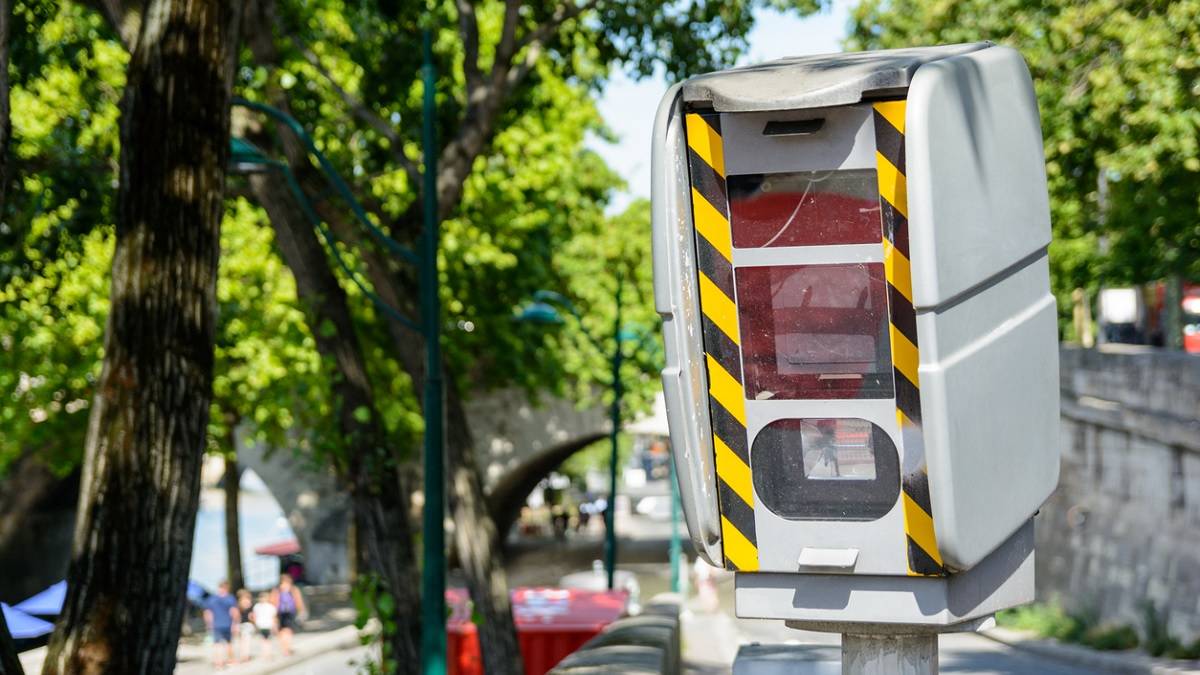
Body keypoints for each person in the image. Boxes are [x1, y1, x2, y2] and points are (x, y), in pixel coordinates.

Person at [203, 580, 239, 669]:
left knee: (217, 644)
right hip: (227, 624)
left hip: (216, 625)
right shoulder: (230, 598)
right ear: (227, 588)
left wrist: (209, 624)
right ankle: (230, 660)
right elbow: (234, 612)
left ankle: (218, 663)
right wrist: (235, 624)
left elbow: (208, 613)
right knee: (229, 643)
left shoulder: (212, 599)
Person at [271, 573, 306, 656]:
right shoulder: (292, 589)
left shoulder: (277, 590)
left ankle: (285, 648)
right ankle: (287, 648)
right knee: (287, 631)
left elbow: (272, 602)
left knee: (283, 631)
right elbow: (299, 601)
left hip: (282, 613)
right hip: (288, 612)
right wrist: (302, 611)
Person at [251, 591, 278, 659]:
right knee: (263, 640)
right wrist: (255, 624)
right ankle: (265, 653)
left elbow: (273, 617)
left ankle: (268, 653)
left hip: (268, 625)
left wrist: (274, 626)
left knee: (268, 640)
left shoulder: (270, 606)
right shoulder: (257, 606)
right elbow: (254, 616)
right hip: (261, 625)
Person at [235, 589, 255, 663]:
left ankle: (243, 655)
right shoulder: (250, 603)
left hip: (241, 624)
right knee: (247, 640)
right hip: (248, 624)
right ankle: (246, 655)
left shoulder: (238, 604)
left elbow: (237, 616)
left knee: (242, 641)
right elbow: (251, 616)